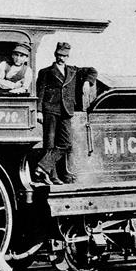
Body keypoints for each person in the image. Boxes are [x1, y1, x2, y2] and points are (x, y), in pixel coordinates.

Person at [34, 42, 97, 185]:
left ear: (68, 56)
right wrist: (39, 111)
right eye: (59, 55)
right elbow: (40, 92)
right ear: (55, 54)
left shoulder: (73, 71)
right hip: (50, 110)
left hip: (66, 111)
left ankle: (42, 167)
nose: (62, 58)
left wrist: (87, 82)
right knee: (49, 144)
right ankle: (52, 176)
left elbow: (92, 71)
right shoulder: (45, 72)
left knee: (66, 143)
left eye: (65, 56)